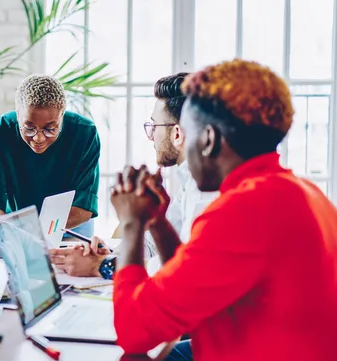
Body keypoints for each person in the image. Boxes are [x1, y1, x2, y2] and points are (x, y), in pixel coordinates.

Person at [112, 59, 337, 361]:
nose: (184, 151)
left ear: (207, 139)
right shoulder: (299, 191)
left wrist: (131, 225)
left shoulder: (244, 210)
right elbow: (191, 292)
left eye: (186, 135)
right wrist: (158, 222)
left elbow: (133, 331)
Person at [49, 73, 217, 278]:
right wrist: (109, 253)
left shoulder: (206, 193)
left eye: (155, 126)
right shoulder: (188, 181)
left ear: (176, 133)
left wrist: (103, 266)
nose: (151, 136)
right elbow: (155, 246)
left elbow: (190, 270)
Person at [0, 74, 100, 237]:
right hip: (16, 226)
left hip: (71, 224)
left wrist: (36, 230)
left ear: (62, 115)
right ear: (18, 114)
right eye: (29, 128)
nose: (38, 138)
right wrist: (9, 228)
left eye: (50, 129)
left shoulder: (85, 133)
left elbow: (85, 207)